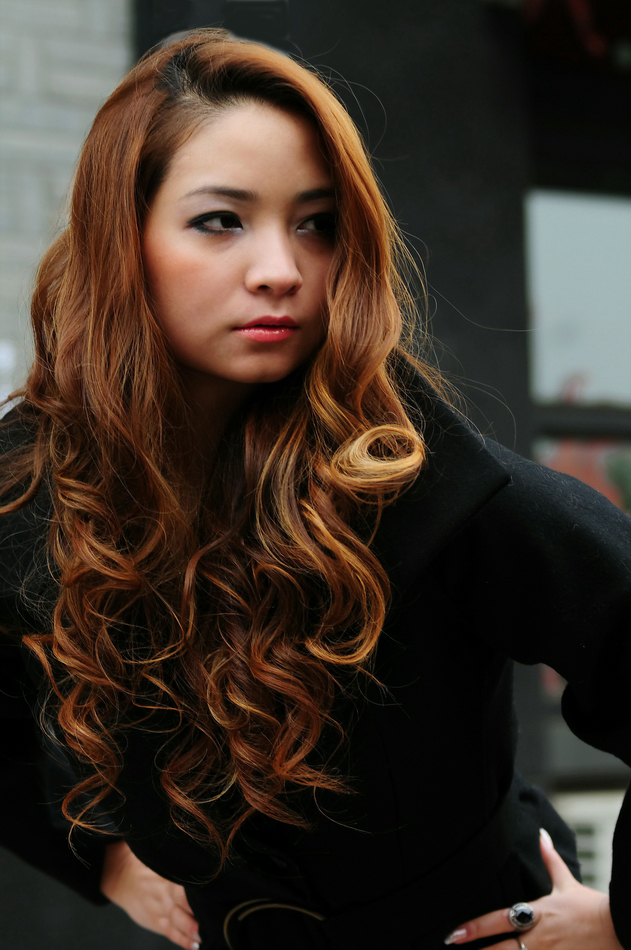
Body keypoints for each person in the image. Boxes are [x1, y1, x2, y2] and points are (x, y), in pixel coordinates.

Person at [0, 28, 630, 950]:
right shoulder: (31, 489)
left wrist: (616, 920)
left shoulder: (426, 489)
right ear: (121, 238)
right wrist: (101, 858)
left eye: (316, 223)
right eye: (220, 221)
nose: (280, 271)